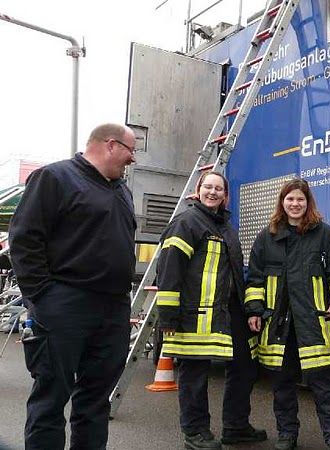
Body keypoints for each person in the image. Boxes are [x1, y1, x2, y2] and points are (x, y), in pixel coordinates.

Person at [9, 123, 137, 449]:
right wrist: (42, 298)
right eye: (130, 150)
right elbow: (25, 240)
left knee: (95, 401)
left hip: (112, 310)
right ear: (110, 145)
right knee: (51, 398)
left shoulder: (121, 189)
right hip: (65, 305)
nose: (132, 159)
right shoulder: (55, 178)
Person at [155, 171, 267, 449]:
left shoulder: (227, 229)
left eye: (219, 188)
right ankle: (195, 432)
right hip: (196, 315)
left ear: (225, 196)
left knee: (244, 367)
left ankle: (236, 426)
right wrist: (168, 315)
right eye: (208, 187)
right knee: (195, 374)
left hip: (230, 313)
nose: (213, 192)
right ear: (198, 190)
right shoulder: (186, 222)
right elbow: (169, 271)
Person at [244, 179, 330, 450]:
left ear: (308, 203)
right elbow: (255, 279)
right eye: (290, 199)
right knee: (283, 386)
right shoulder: (266, 237)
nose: (295, 204)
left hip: (313, 322)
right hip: (279, 325)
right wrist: (255, 311)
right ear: (282, 202)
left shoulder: (324, 234)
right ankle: (286, 434)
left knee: (325, 384)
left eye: (300, 200)